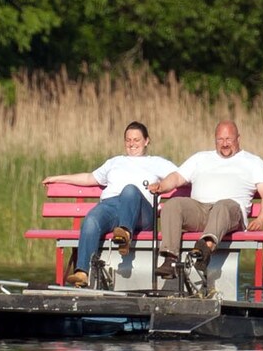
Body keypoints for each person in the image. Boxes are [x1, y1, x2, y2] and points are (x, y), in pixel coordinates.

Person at [42, 121, 181, 287]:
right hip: (112, 206)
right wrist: (58, 178)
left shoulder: (157, 162)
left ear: (146, 141)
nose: (132, 144)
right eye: (128, 140)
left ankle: (124, 234)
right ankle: (82, 272)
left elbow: (181, 176)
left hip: (141, 211)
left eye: (136, 140)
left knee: (130, 190)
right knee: (92, 219)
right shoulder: (115, 162)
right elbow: (89, 178)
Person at [146, 120, 263, 278]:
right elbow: (177, 177)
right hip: (200, 210)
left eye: (229, 139)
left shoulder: (253, 162)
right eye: (220, 139)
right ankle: (170, 260)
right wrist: (161, 186)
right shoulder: (201, 158)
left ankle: (204, 249)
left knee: (222, 205)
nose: (224, 144)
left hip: (231, 213)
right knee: (173, 204)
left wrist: (261, 219)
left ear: (238, 139)